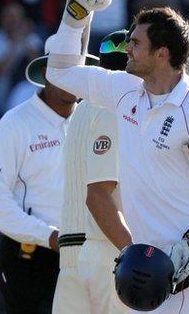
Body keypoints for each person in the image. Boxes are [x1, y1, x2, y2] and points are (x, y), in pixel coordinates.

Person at [44, 0, 189, 313]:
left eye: (136, 43)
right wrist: (75, 13)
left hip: (187, 266)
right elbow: (58, 72)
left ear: (162, 54)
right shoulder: (123, 89)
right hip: (142, 264)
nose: (129, 48)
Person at [0, 32, 80, 313]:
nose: (71, 77)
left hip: (83, 257)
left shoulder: (90, 120)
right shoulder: (15, 123)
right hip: (30, 259)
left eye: (77, 70)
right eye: (63, 69)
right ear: (46, 72)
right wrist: (49, 236)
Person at [51, 30, 130, 314]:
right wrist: (132, 251)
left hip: (75, 253)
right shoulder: (115, 107)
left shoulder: (81, 110)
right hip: (105, 249)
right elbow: (99, 195)